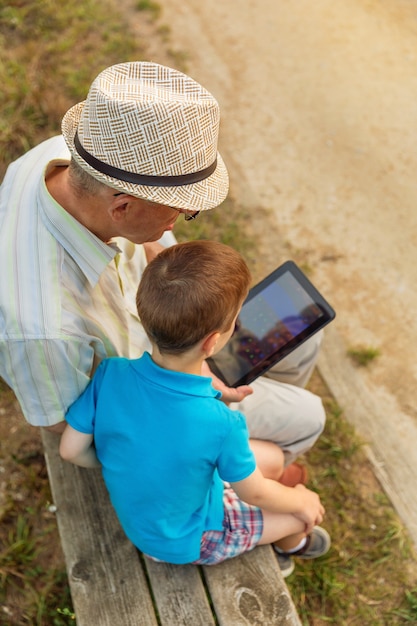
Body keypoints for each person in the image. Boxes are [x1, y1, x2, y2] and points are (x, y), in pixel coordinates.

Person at [0, 60, 324, 482]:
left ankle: (257, 445)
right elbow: (69, 427)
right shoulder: (42, 328)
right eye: (179, 209)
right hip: (156, 397)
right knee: (308, 416)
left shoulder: (74, 155)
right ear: (122, 207)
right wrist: (190, 393)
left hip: (175, 336)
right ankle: (256, 464)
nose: (186, 215)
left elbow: (152, 241)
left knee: (299, 330)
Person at [60, 240, 330, 576]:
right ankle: (291, 546)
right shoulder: (221, 424)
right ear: (212, 342)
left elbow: (70, 450)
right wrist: (303, 501)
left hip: (150, 516)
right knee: (298, 513)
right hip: (187, 537)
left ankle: (281, 528)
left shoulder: (110, 373)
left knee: (273, 459)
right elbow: (256, 492)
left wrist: (122, 462)